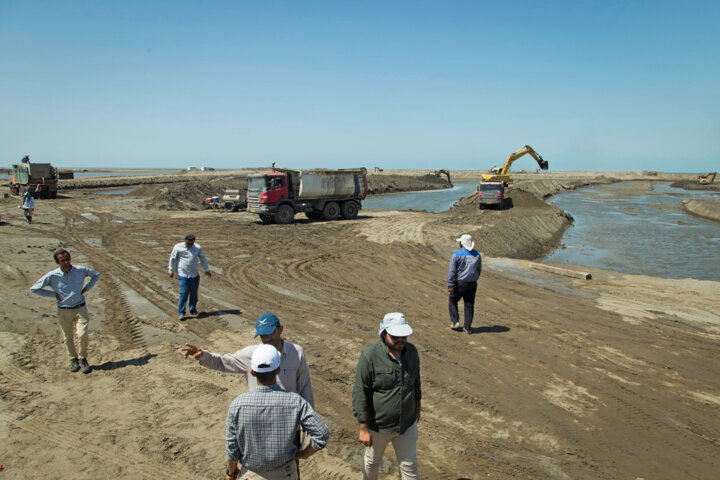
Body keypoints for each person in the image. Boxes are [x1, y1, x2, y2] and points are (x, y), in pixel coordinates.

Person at [224, 344, 329, 480]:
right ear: (278, 370)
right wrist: (303, 454)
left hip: (252, 475)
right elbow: (322, 434)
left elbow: (232, 446)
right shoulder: (295, 402)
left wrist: (232, 472)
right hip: (286, 473)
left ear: (252, 372)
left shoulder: (238, 405)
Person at [353, 312, 421, 480]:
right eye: (395, 336)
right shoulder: (370, 356)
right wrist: (363, 427)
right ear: (384, 334)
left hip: (407, 424)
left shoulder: (412, 352)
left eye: (403, 336)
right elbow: (360, 391)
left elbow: (416, 382)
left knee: (409, 466)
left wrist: (417, 407)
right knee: (371, 464)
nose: (401, 340)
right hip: (378, 426)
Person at [30, 249, 101, 374]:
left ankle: (83, 358)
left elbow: (96, 275)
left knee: (82, 334)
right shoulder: (52, 275)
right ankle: (73, 359)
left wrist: (86, 288)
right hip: (64, 310)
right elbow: (34, 288)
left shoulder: (80, 270)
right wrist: (53, 294)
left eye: (68, 259)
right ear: (58, 262)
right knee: (68, 337)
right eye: (63, 260)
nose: (66, 262)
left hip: (80, 308)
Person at [168, 234, 211, 319]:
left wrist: (206, 269)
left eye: (192, 243)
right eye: (188, 243)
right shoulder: (178, 247)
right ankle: (181, 312)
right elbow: (172, 258)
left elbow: (202, 258)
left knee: (194, 294)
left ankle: (193, 310)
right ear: (185, 240)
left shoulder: (197, 248)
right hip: (183, 274)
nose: (190, 245)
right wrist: (171, 270)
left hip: (194, 275)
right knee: (183, 294)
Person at [446, 233, 482, 334]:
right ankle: (468, 327)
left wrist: (450, 284)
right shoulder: (477, 254)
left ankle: (455, 321)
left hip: (460, 283)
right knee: (469, 304)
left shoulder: (457, 255)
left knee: (452, 300)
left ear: (461, 243)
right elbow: (479, 269)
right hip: (472, 283)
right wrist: (475, 277)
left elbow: (452, 271)